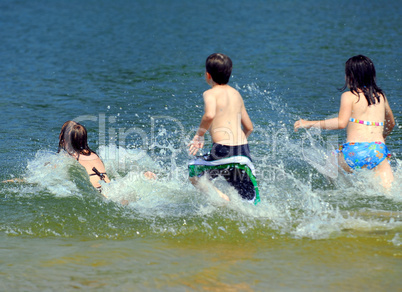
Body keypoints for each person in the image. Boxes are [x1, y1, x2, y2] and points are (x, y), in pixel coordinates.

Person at [294, 55, 395, 188]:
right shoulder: (380, 96)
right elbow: (391, 123)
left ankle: (340, 192)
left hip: (354, 150)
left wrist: (309, 123)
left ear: (351, 76)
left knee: (330, 164)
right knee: (389, 190)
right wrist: (382, 137)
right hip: (378, 150)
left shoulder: (349, 96)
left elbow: (341, 123)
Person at [188, 53, 260, 204]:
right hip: (242, 150)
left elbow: (209, 115)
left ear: (208, 75)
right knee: (248, 198)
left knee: (194, 174)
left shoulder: (210, 93)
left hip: (222, 149)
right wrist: (236, 148)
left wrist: (199, 135)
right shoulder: (236, 94)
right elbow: (249, 127)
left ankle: (222, 198)